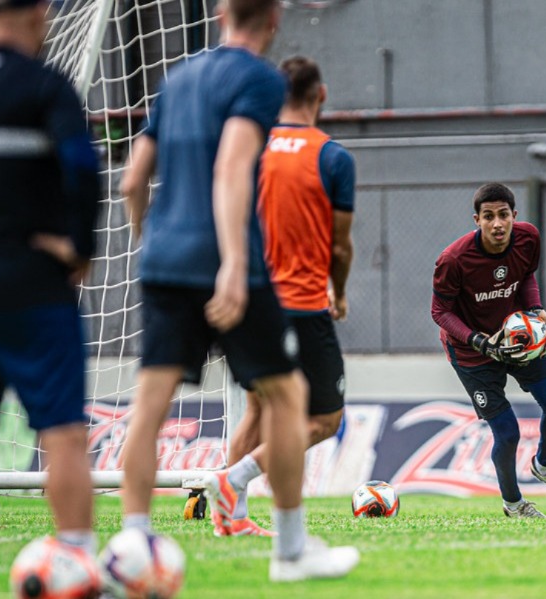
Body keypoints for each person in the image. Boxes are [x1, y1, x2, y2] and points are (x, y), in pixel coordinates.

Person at [119, 0, 358, 581]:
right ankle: (291, 551)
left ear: (223, 12)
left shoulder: (179, 76)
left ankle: (130, 546)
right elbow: (231, 168)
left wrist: (150, 237)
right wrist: (229, 261)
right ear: (274, 19)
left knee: (149, 405)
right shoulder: (257, 79)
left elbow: (131, 179)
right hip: (233, 267)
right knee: (287, 397)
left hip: (163, 264)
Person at [0, 0, 100, 557]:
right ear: (40, 13)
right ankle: (78, 562)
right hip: (31, 284)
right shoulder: (47, 87)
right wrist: (79, 248)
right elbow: (83, 170)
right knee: (61, 430)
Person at [209, 55, 356, 537]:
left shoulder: (252, 148)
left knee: (256, 406)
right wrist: (339, 289)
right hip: (303, 301)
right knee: (324, 418)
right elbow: (339, 242)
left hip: (251, 295)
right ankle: (235, 479)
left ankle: (229, 520)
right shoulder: (332, 156)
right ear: (322, 94)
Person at [431, 182, 546, 518]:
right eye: (488, 217)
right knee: (508, 432)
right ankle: (514, 504)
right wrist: (480, 342)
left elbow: (525, 275)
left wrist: (536, 309)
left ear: (514, 215)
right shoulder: (453, 259)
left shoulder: (528, 238)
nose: (497, 223)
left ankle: (545, 466)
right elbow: (440, 312)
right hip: (471, 353)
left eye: (503, 215)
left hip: (517, 340)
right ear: (477, 220)